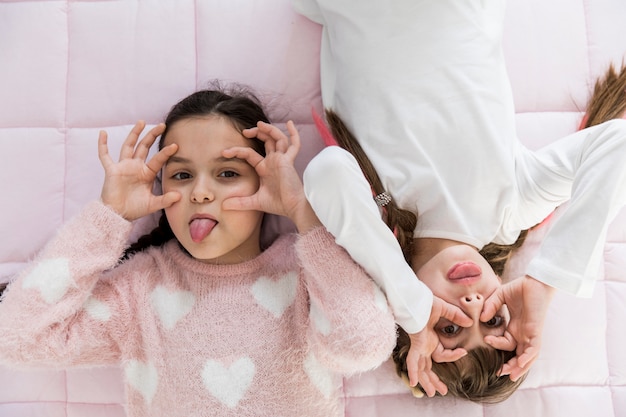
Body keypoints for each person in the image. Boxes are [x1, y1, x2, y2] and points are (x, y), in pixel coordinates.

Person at [293, 0, 626, 403]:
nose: (471, 305)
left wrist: (410, 303)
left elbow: (325, 173)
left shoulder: (378, 212)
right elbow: (616, 144)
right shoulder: (513, 209)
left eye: (450, 328)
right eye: (494, 319)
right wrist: (548, 280)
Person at [0, 85, 397, 417]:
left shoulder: (304, 271)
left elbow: (364, 344)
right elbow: (15, 338)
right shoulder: (141, 290)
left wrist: (302, 213)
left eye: (227, 174)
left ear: (264, 182)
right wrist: (109, 217)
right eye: (182, 175)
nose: (200, 192)